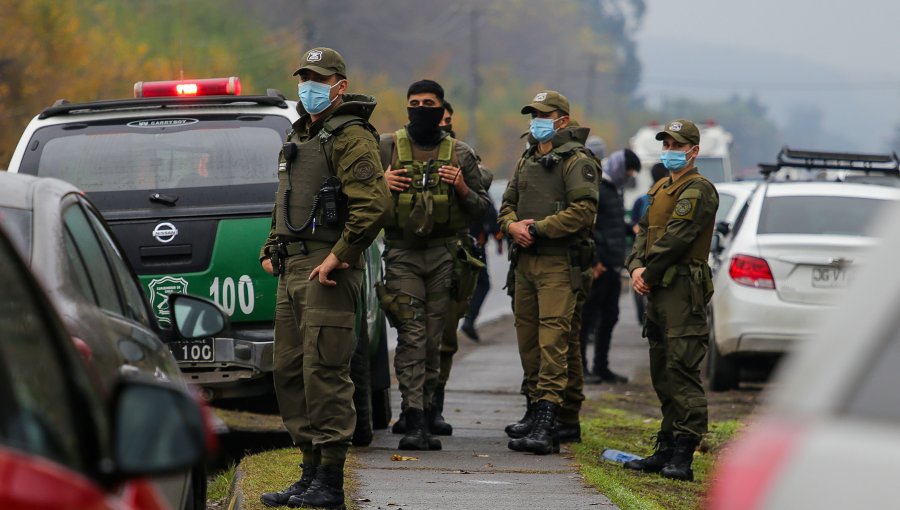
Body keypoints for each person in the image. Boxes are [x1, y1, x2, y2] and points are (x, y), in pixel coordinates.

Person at [258, 47, 391, 509]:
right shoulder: (299, 135)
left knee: (325, 371)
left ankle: (331, 482)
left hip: (327, 269)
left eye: (317, 78)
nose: (308, 86)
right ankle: (309, 472)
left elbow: (373, 206)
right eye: (303, 77)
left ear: (339, 85)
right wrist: (270, 246)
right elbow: (286, 199)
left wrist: (341, 255)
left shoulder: (351, 136)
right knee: (290, 372)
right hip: (293, 267)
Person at [379, 80, 490, 451]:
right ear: (406, 106)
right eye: (414, 102)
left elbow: (483, 208)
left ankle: (427, 413)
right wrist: (381, 184)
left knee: (434, 338)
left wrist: (461, 188)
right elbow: (355, 199)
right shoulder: (387, 148)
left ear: (442, 109)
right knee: (411, 338)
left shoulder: (460, 153)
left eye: (429, 103)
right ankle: (412, 416)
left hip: (445, 256)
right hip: (402, 254)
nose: (421, 108)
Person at [499, 90, 599, 455]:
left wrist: (538, 229)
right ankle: (540, 409)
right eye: (532, 115)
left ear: (561, 120)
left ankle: (549, 420)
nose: (535, 121)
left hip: (559, 262)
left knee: (553, 343)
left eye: (542, 115)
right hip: (524, 263)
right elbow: (507, 204)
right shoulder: (528, 158)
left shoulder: (577, 161)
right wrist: (512, 227)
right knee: (529, 341)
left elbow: (583, 211)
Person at [623, 119, 718, 481]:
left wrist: (646, 272)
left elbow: (678, 239)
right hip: (658, 289)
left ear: (693, 151)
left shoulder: (698, 190)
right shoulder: (661, 186)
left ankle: (684, 454)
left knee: (683, 370)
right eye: (666, 145)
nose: (670, 151)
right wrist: (634, 266)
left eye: (677, 146)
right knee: (663, 371)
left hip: (681, 289)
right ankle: (665, 447)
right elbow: (643, 232)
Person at [582, 148, 641, 384]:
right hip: (599, 267)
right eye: (628, 171)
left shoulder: (614, 190)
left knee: (610, 317)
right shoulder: (597, 188)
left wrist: (631, 228)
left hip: (614, 267)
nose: (628, 176)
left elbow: (612, 224)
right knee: (587, 320)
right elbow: (588, 228)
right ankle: (581, 368)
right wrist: (594, 261)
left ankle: (601, 367)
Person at [629, 163, 669, 324]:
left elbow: (634, 225)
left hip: (643, 253)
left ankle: (645, 318)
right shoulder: (669, 197)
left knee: (640, 284)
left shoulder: (642, 200)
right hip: (663, 253)